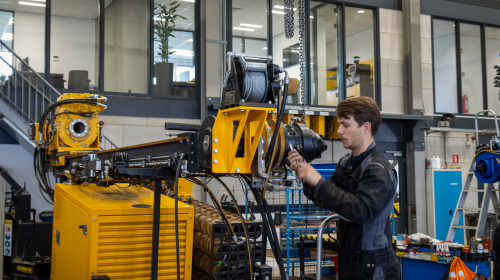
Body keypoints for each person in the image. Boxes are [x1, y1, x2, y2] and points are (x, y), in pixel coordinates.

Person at [287, 96, 400, 280]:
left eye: (346, 125)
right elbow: (327, 196)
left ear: (366, 127)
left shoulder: (378, 169)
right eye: (339, 124)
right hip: (349, 257)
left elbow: (360, 210)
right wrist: (306, 175)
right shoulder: (347, 162)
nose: (339, 130)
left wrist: (318, 180)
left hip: (373, 265)